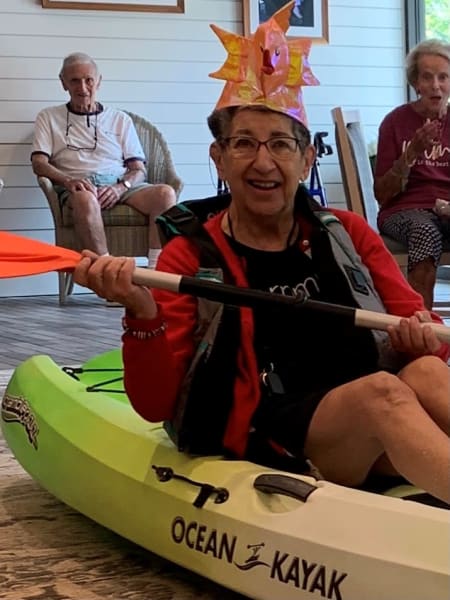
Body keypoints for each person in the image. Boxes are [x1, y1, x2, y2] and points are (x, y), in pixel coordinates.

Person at [74, 6, 450, 504]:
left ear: (306, 158)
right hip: (277, 428)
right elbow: (154, 404)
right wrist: (140, 314)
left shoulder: (347, 231)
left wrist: (417, 338)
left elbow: (425, 337)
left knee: (421, 372)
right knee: (385, 393)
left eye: (280, 144)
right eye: (244, 144)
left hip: (364, 425)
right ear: (220, 158)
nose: (264, 162)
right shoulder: (190, 256)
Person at [31, 52, 177, 269]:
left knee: (165, 194)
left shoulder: (120, 119)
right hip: (78, 185)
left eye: (88, 80)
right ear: (63, 83)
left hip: (119, 182)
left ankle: (156, 272)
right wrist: (69, 180)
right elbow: (39, 163)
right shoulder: (48, 117)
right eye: (74, 81)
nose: (82, 87)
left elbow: (138, 169)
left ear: (98, 81)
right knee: (85, 199)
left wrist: (121, 187)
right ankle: (107, 274)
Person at [374, 39, 450, 310]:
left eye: (443, 77)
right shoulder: (395, 122)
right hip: (404, 210)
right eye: (427, 77)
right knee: (425, 232)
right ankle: (423, 332)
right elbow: (382, 195)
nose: (436, 85)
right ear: (415, 83)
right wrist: (412, 152)